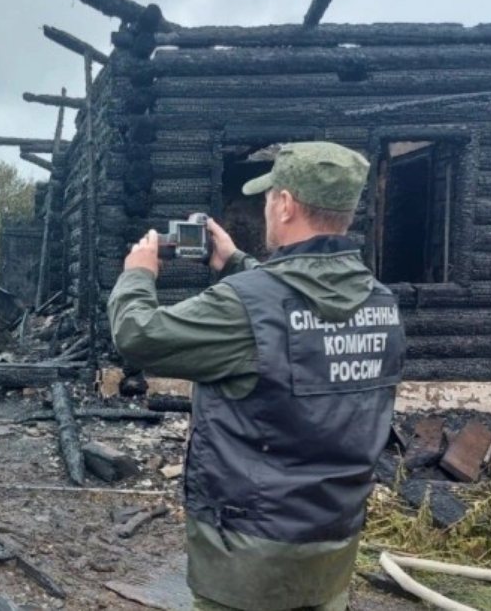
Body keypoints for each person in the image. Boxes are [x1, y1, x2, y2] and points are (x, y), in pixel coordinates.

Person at [107, 142, 406, 611]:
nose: (265, 206)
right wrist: (235, 261)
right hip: (331, 550)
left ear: (285, 204)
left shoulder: (242, 305)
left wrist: (137, 276)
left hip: (248, 562)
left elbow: (138, 336)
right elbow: (292, 313)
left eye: (268, 197)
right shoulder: (381, 303)